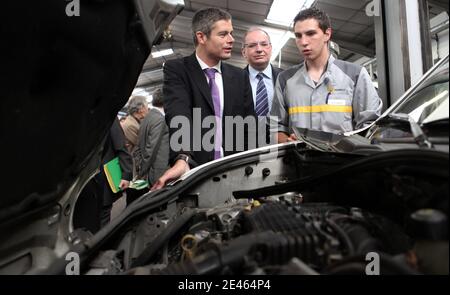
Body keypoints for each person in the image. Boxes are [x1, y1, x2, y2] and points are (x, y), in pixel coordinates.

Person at [152, 7, 255, 190]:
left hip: (235, 174)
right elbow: (179, 115)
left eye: (231, 33)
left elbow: (248, 125)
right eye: (223, 34)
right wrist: (183, 158)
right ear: (201, 37)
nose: (231, 40)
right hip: (195, 174)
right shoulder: (178, 70)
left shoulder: (239, 76)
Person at [270, 7, 382, 143]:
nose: (303, 42)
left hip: (344, 161)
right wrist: (288, 141)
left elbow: (371, 126)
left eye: (310, 33)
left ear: (327, 34)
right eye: (298, 36)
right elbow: (276, 128)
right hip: (299, 161)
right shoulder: (285, 79)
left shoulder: (355, 75)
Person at [73, 117, 132, 232]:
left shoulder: (109, 115)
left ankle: (100, 245)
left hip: (103, 177)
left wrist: (126, 174)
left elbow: (120, 146)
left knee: (102, 215)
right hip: (81, 181)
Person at [242, 27, 282, 146]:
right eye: (252, 45)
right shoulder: (234, 81)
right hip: (245, 148)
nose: (259, 49)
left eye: (264, 44)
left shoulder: (287, 79)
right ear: (243, 52)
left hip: (281, 147)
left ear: (270, 48)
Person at [133, 88, 169, 188]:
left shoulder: (147, 117)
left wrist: (140, 167)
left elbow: (138, 147)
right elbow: (151, 150)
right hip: (158, 174)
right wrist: (142, 173)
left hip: (151, 172)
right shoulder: (160, 119)